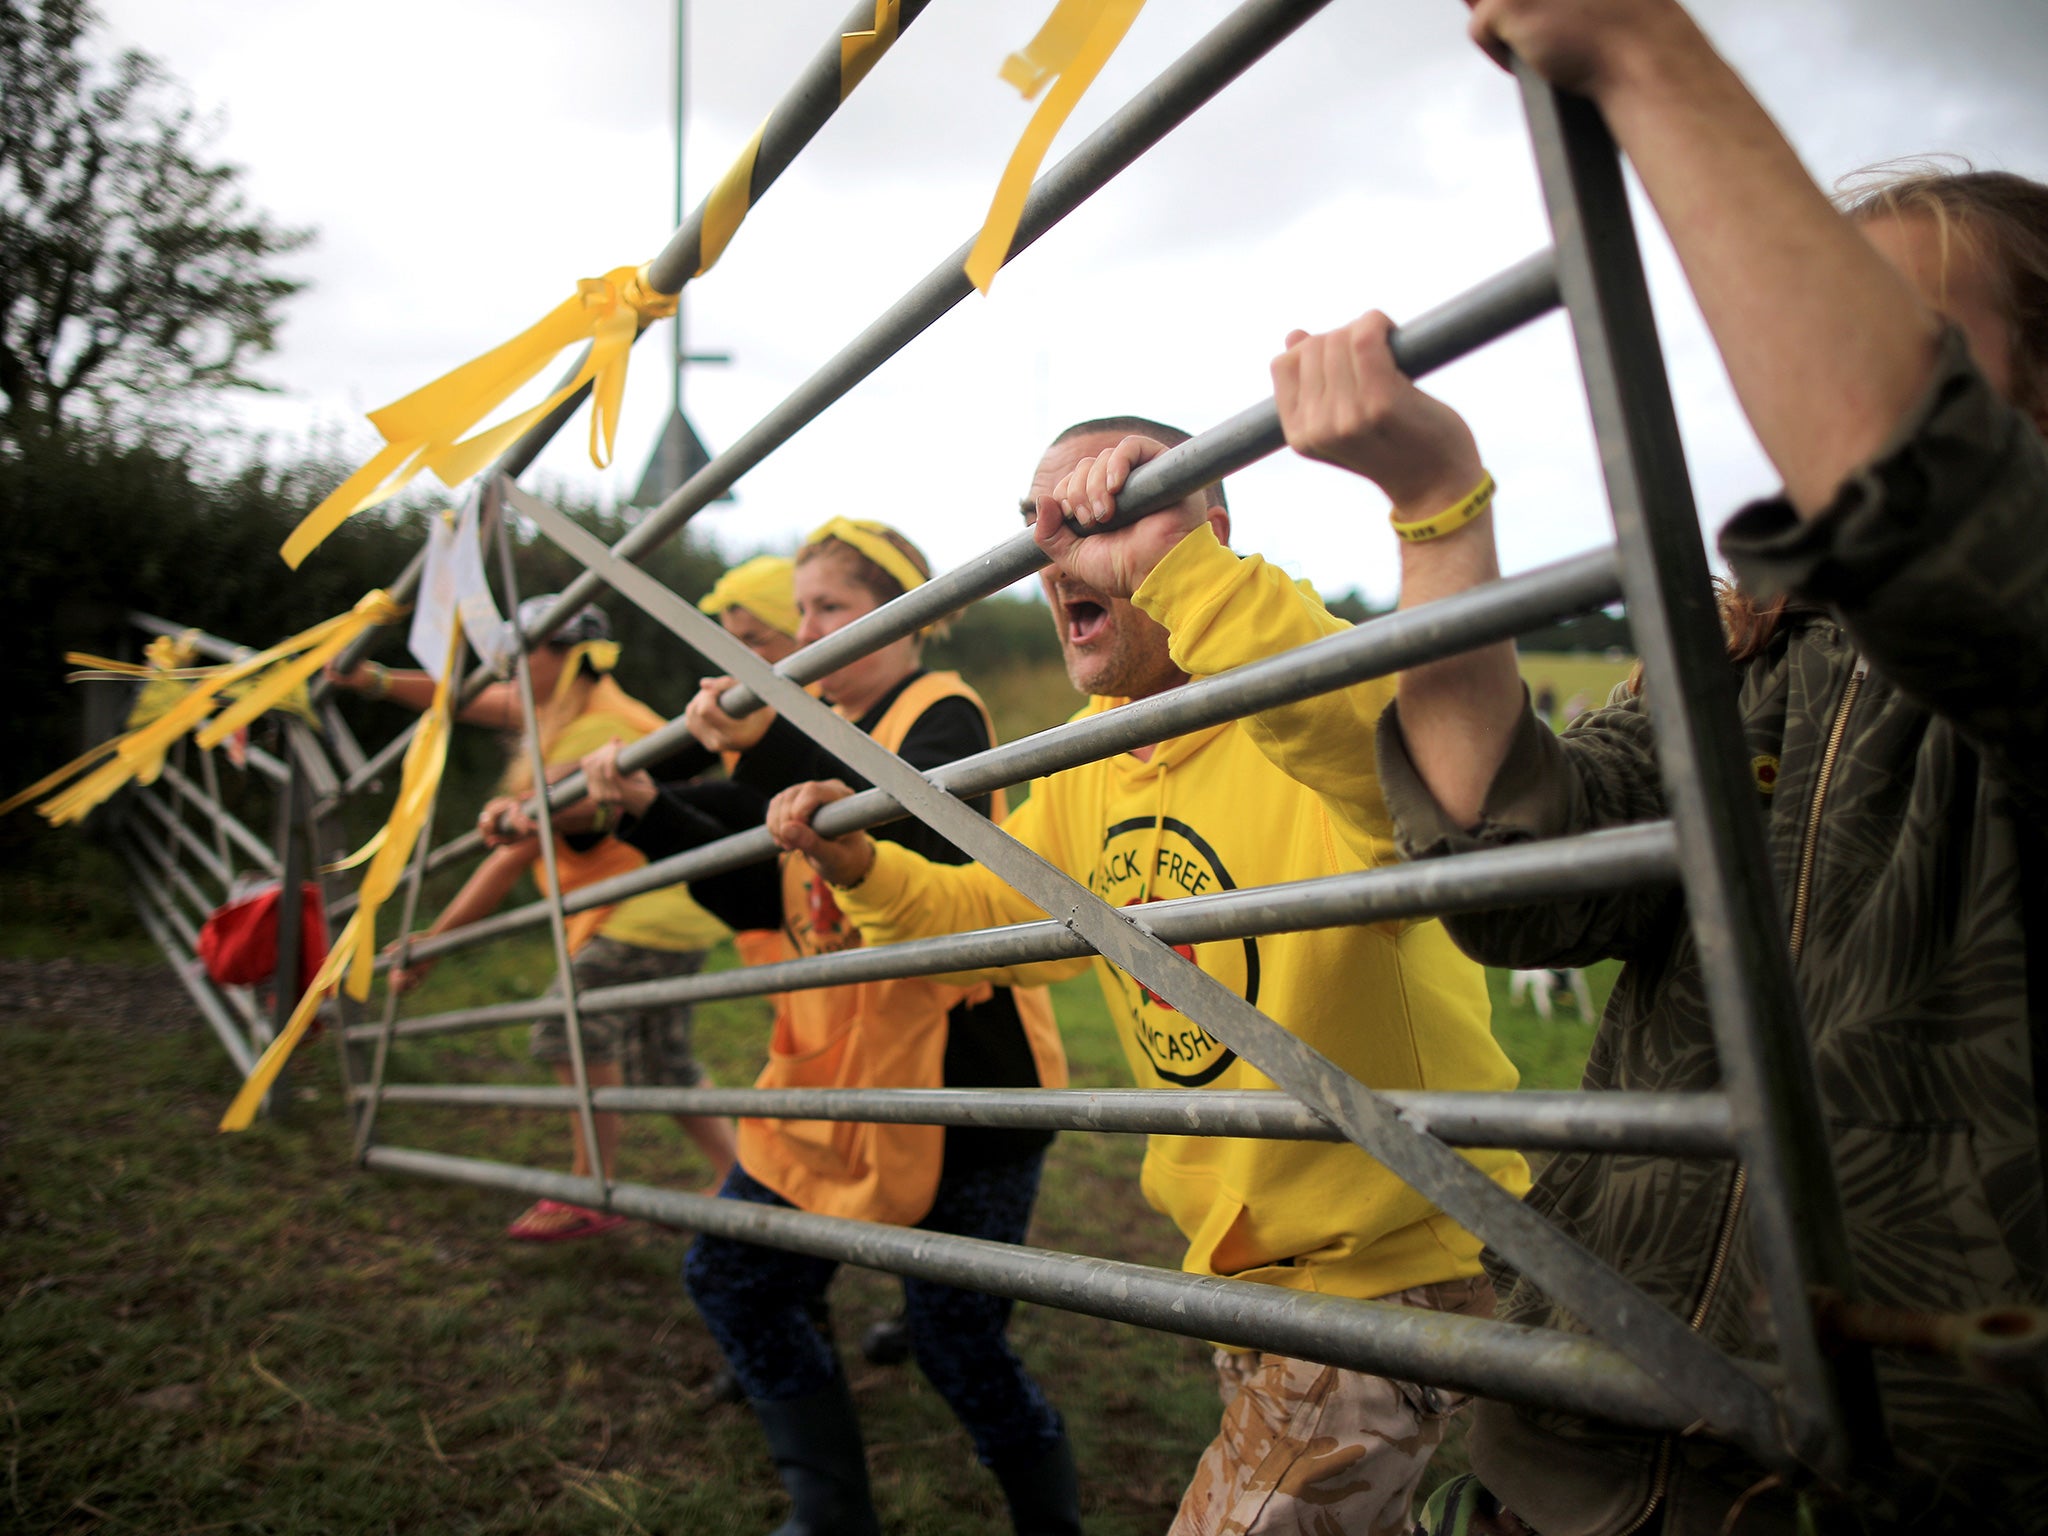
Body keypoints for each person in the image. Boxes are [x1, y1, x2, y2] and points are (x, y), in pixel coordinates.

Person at [1129, 3, 2048, 1527]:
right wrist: (1440, 508)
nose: (1792, 369)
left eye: (1903, 339)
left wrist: (1638, 48)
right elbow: (1512, 874)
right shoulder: (1738, 655)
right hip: (1595, 1434)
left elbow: (1936, 515)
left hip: (1916, 1474)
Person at [764, 421, 1532, 1536]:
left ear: (1197, 535)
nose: (1060, 557)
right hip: (1241, 1258)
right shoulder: (1084, 758)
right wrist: (864, 864)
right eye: (1043, 532)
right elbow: (984, 907)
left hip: (1391, 1250)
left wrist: (1187, 572)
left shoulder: (1296, 701)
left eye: (1104, 522)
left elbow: (1394, 750)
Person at [575, 521, 1077, 1536]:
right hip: (836, 1072)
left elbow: (890, 823)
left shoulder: (944, 717)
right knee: (733, 1275)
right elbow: (756, 885)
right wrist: (640, 808)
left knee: (955, 1344)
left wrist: (763, 733)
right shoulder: (810, 727)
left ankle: (1049, 1522)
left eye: (830, 609)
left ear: (905, 617)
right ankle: (828, 1514)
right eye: (799, 610)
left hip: (968, 1091)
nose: (803, 633)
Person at [333, 597, 740, 1240]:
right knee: (664, 1061)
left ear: (566, 655)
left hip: (642, 908)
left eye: (523, 656)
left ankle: (591, 1186)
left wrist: (436, 943)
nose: (509, 672)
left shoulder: (592, 729)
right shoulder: (563, 704)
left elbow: (515, 849)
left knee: (566, 1027)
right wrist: (379, 682)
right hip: (661, 906)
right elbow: (472, 702)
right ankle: (741, 1181)